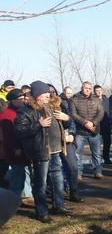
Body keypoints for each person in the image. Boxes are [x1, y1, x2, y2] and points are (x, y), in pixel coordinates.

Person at [15, 80, 73, 223]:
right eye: (44, 93)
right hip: (40, 150)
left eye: (48, 93)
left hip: (56, 149)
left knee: (57, 179)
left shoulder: (52, 106)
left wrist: (67, 119)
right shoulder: (26, 110)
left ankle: (58, 205)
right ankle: (41, 212)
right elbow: (20, 131)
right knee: (40, 183)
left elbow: (65, 123)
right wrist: (38, 125)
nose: (48, 95)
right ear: (36, 95)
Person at [0, 89, 32, 204]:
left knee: (26, 172)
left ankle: (27, 195)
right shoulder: (7, 115)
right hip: (15, 149)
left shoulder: (22, 111)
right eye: (19, 99)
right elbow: (8, 136)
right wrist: (15, 148)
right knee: (17, 175)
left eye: (23, 99)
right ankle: (13, 199)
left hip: (24, 147)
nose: (22, 101)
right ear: (12, 101)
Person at [70, 81, 104, 180]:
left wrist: (93, 123)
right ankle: (79, 172)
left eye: (89, 88)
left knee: (96, 153)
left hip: (94, 130)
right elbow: (73, 114)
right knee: (78, 153)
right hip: (80, 131)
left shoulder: (96, 99)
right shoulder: (74, 99)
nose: (88, 90)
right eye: (86, 88)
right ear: (82, 88)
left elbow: (101, 112)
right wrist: (85, 123)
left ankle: (97, 171)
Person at [94, 85, 112, 164]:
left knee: (107, 142)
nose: (99, 91)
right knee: (96, 143)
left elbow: (110, 111)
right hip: (96, 124)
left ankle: (106, 158)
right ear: (94, 92)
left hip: (106, 124)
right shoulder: (92, 100)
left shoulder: (107, 100)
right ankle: (97, 160)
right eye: (97, 90)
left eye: (100, 90)